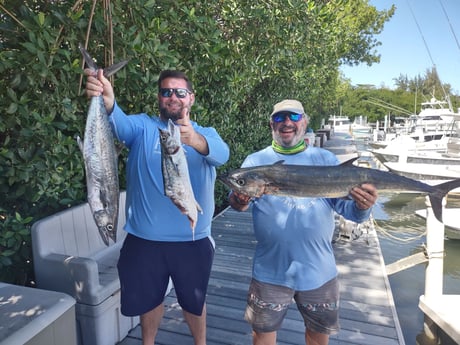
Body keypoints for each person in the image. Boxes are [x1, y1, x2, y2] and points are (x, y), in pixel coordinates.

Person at [84, 68, 230, 345]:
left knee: (194, 302)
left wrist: (195, 141)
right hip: (144, 241)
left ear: (191, 98)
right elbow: (118, 122)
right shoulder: (142, 127)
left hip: (192, 240)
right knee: (149, 301)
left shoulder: (206, 133)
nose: (172, 97)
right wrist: (107, 98)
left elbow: (223, 156)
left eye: (179, 92)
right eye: (166, 92)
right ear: (159, 97)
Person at [228, 99, 377, 345]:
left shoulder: (325, 159)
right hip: (270, 271)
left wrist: (363, 206)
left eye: (294, 117)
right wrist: (239, 198)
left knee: (318, 338)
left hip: (319, 272)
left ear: (304, 122)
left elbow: (348, 210)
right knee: (262, 337)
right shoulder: (255, 162)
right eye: (280, 118)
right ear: (271, 125)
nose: (287, 123)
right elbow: (238, 203)